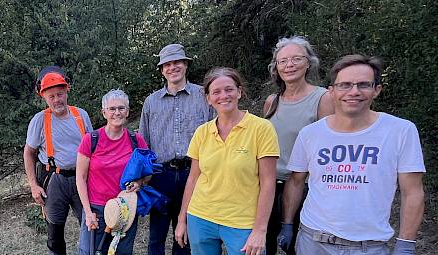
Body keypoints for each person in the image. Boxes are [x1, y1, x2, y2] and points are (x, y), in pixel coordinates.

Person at [279, 55, 425, 255]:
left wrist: (405, 244)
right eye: (345, 85)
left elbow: (413, 192)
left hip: (368, 247)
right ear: (331, 91)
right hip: (313, 242)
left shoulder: (400, 131)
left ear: (377, 90)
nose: (354, 92)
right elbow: (295, 182)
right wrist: (287, 224)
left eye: (363, 85)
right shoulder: (310, 134)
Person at [174, 67, 279, 255]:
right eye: (216, 92)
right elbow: (193, 179)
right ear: (208, 98)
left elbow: (268, 183)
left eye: (229, 89)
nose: (224, 95)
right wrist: (182, 219)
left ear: (239, 92)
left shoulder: (261, 129)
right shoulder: (202, 132)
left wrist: (260, 230)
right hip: (201, 217)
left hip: (242, 221)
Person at [261, 36, 334, 255]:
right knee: (264, 244)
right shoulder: (272, 101)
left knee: (297, 247)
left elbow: (328, 149)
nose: (289, 65)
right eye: (283, 61)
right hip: (269, 185)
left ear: (308, 63)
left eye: (296, 59)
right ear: (276, 68)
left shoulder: (323, 98)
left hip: (304, 187)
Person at [139, 44, 212, 255]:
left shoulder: (204, 96)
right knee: (157, 236)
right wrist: (144, 176)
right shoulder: (151, 102)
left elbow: (215, 134)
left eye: (177, 62)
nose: (173, 67)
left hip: (194, 173)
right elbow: (144, 143)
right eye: (167, 64)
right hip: (161, 174)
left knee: (186, 235)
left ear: (186, 64)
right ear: (162, 70)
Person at [25, 67, 94, 255]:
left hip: (82, 179)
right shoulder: (39, 120)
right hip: (54, 181)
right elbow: (29, 153)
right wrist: (34, 185)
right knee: (55, 233)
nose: (57, 100)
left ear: (67, 91)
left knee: (90, 225)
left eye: (60, 94)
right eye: (52, 96)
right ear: (44, 98)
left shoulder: (81, 115)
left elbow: (93, 149)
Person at [75, 89, 149, 255]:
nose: (117, 112)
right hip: (97, 209)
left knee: (121, 252)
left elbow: (148, 172)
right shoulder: (91, 140)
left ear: (128, 111)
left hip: (125, 209)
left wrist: (140, 183)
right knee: (90, 251)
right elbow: (80, 178)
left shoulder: (136, 140)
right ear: (104, 112)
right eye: (112, 109)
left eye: (121, 108)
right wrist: (87, 212)